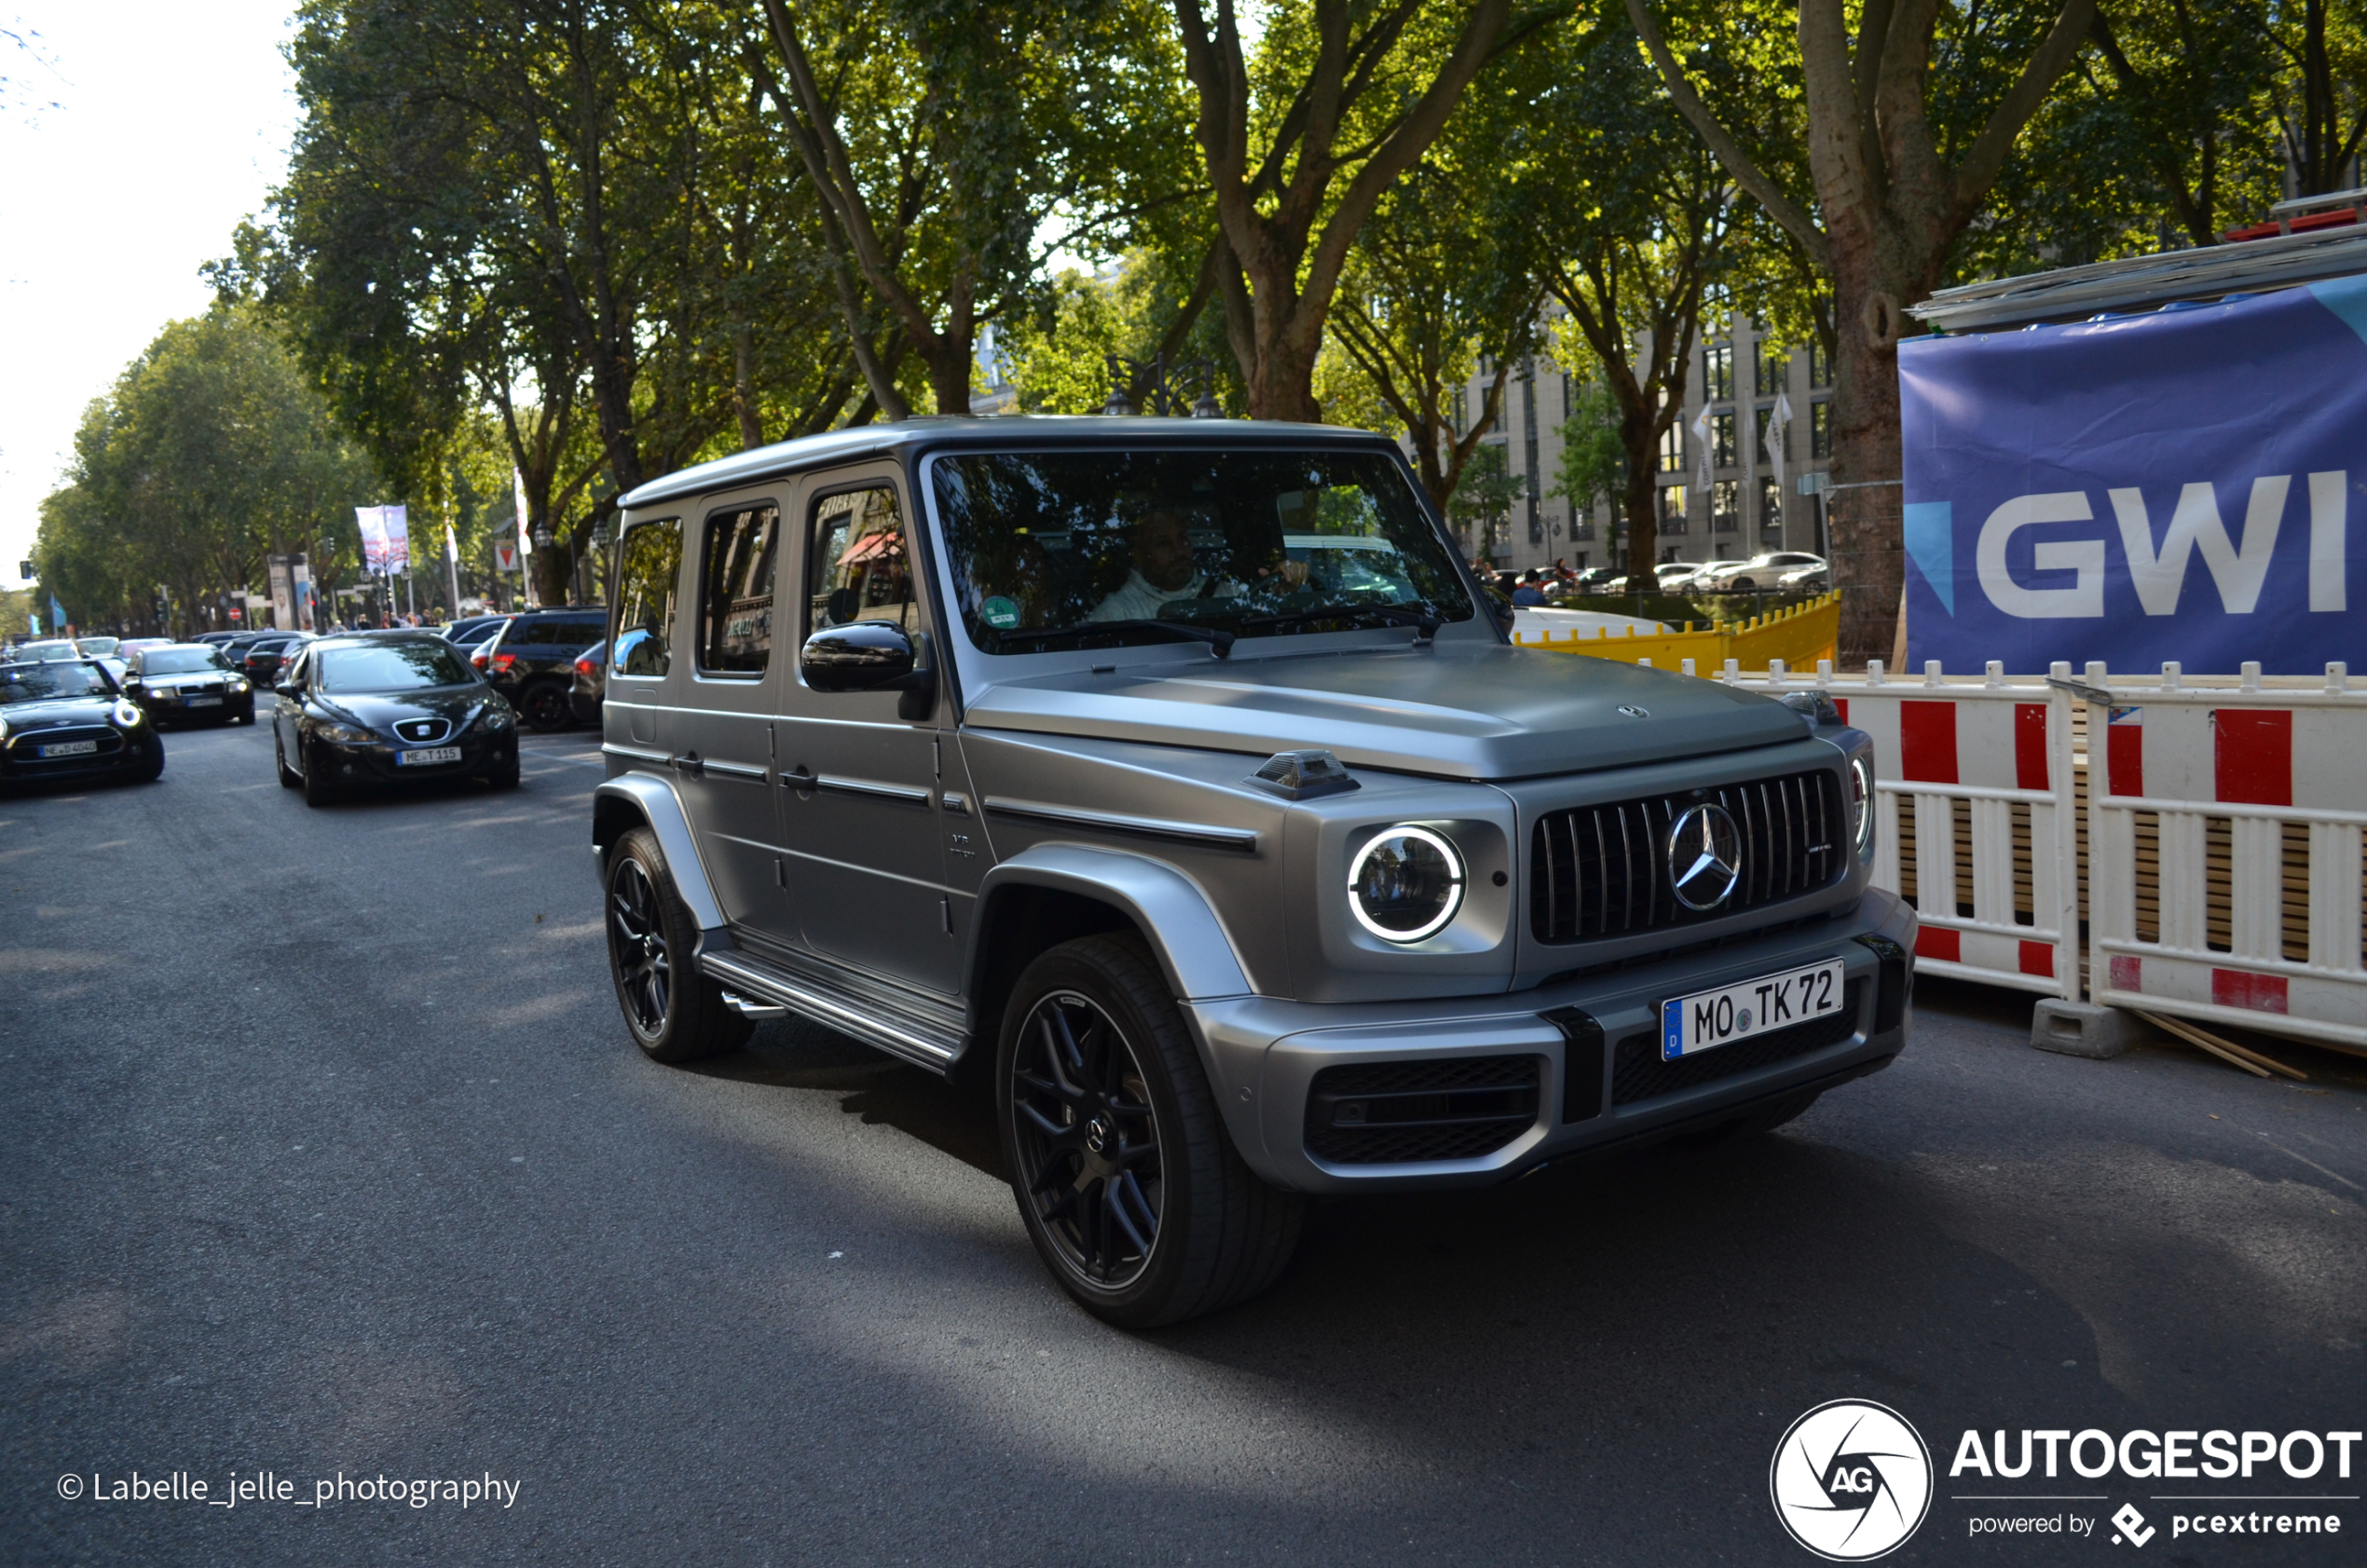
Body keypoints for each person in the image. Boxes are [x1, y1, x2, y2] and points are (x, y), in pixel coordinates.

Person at [1088, 507, 1305, 621]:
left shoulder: (1226, 593)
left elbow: (1269, 624)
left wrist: (1284, 592)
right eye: (1163, 544)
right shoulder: (1117, 612)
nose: (1178, 551)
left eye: (1182, 539)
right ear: (1138, 555)